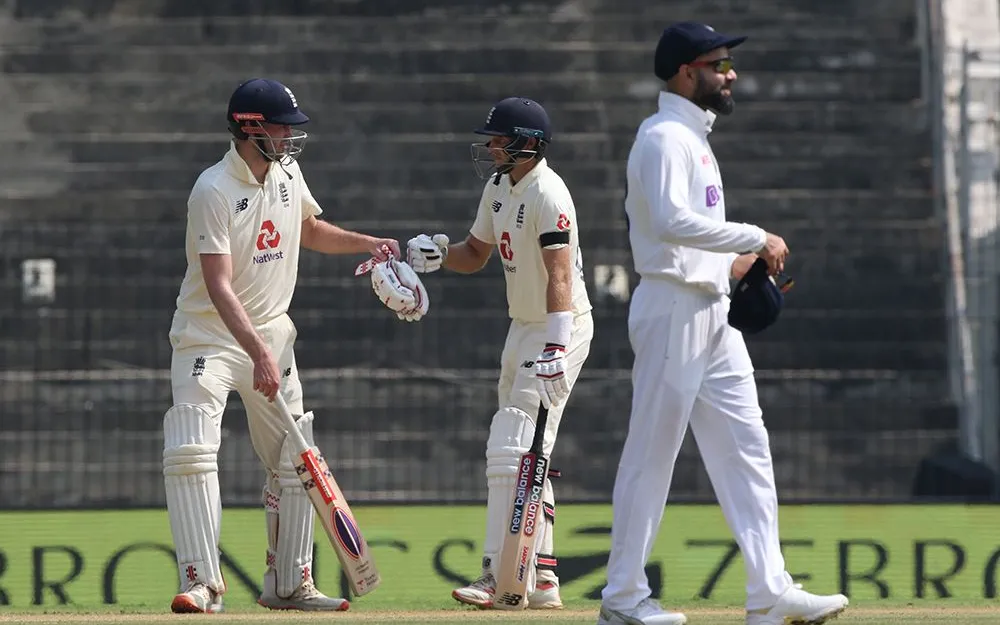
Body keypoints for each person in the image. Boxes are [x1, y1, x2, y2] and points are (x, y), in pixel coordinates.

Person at [596, 23, 850, 625]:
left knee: (746, 449)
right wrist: (754, 236)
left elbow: (687, 235)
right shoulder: (661, 137)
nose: (730, 74)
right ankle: (623, 599)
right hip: (672, 310)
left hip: (711, 308)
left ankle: (769, 591)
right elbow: (669, 221)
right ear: (687, 71)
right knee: (651, 456)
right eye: (719, 63)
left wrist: (734, 260)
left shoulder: (694, 138)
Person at [164, 77, 403, 613]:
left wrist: (370, 243)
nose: (290, 137)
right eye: (280, 127)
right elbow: (219, 284)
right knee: (191, 447)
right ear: (250, 128)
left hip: (271, 332)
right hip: (209, 335)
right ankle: (202, 583)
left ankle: (290, 584)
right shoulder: (212, 190)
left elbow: (310, 229)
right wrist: (257, 354)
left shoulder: (288, 171)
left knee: (294, 457)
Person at [406, 97, 593, 610]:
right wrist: (441, 254)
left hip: (561, 327)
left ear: (528, 144)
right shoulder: (498, 187)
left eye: (498, 139)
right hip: (523, 327)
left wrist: (556, 343)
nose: (490, 147)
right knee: (529, 450)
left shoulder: (549, 193)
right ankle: (545, 577)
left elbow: (559, 275)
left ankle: (497, 575)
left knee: (513, 447)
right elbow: (476, 253)